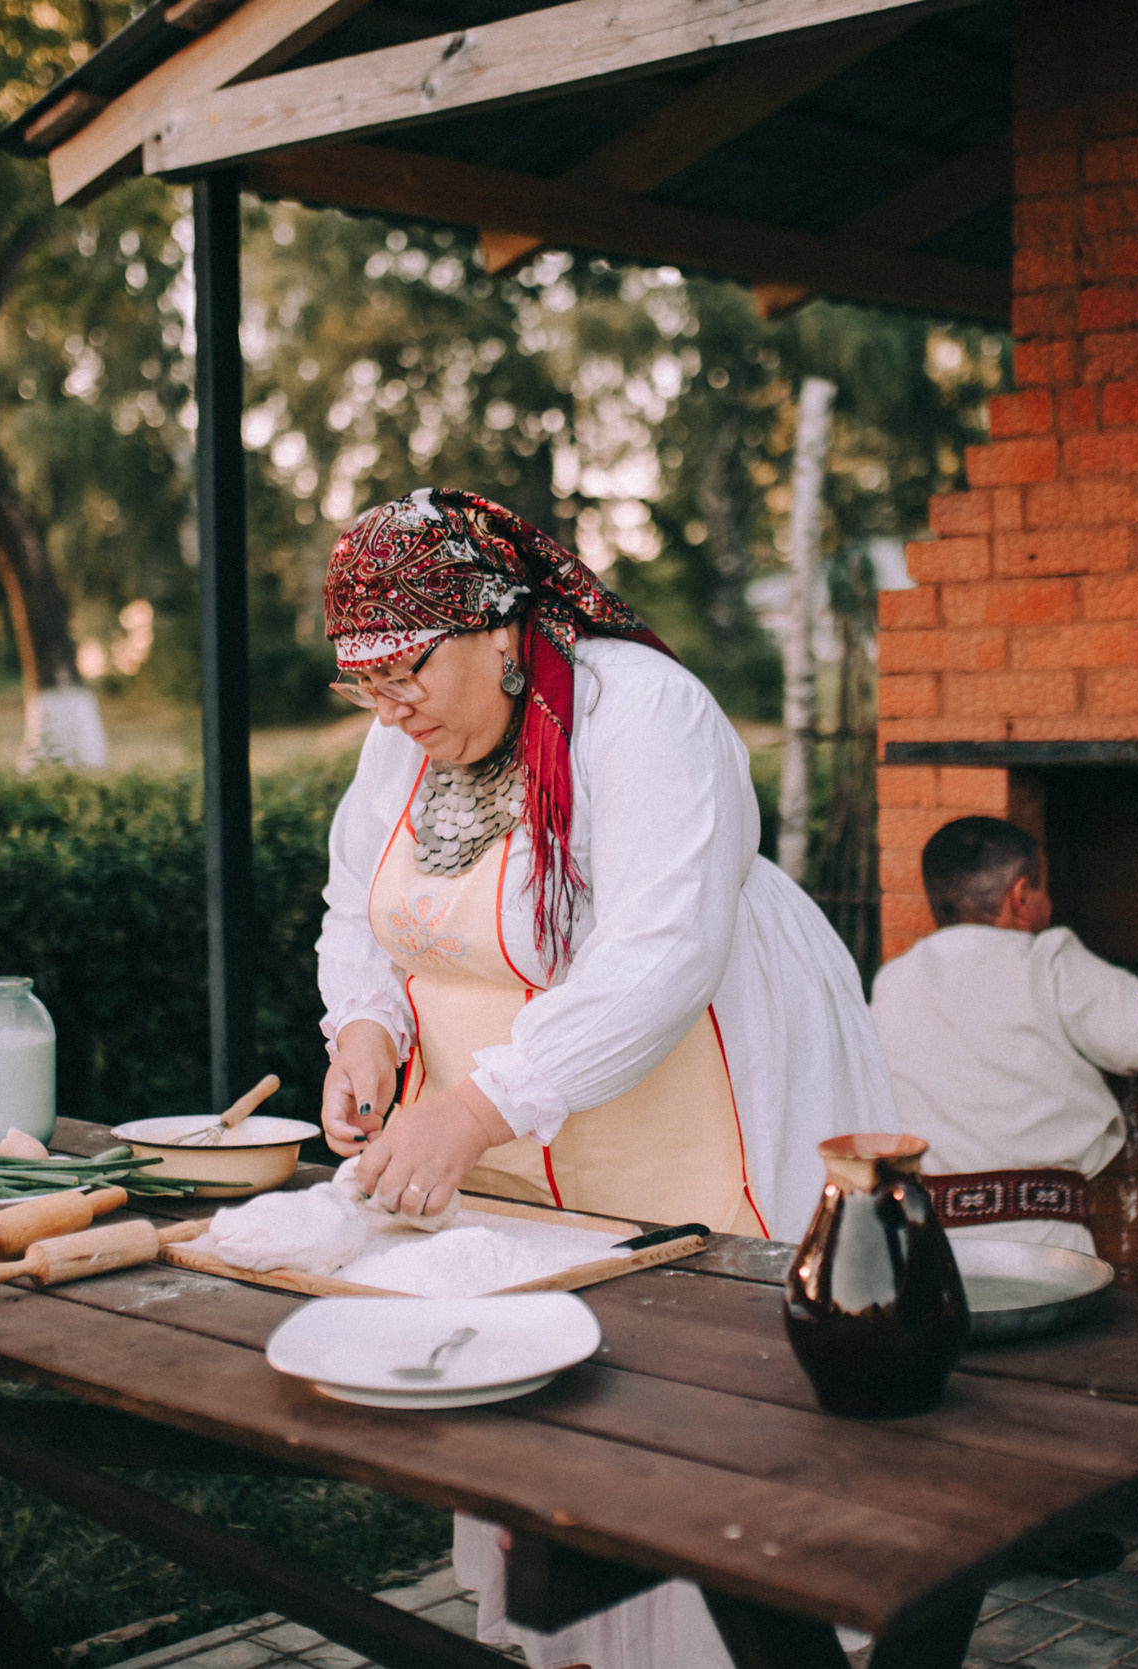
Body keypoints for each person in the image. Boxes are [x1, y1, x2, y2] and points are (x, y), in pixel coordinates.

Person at [310, 487, 896, 1669]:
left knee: (696, 1424)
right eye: (362, 683)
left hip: (702, 1075)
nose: (390, 707)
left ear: (498, 626)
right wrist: (362, 1028)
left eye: (409, 670)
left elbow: (660, 956)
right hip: (525, 1145)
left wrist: (473, 1106)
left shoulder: (646, 715)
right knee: (545, 1415)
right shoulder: (402, 735)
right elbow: (355, 904)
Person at [871, 816, 1138, 1256]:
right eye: (1043, 889)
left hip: (916, 1252)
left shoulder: (893, 982)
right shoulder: (1050, 965)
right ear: (1021, 896)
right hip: (1037, 1255)